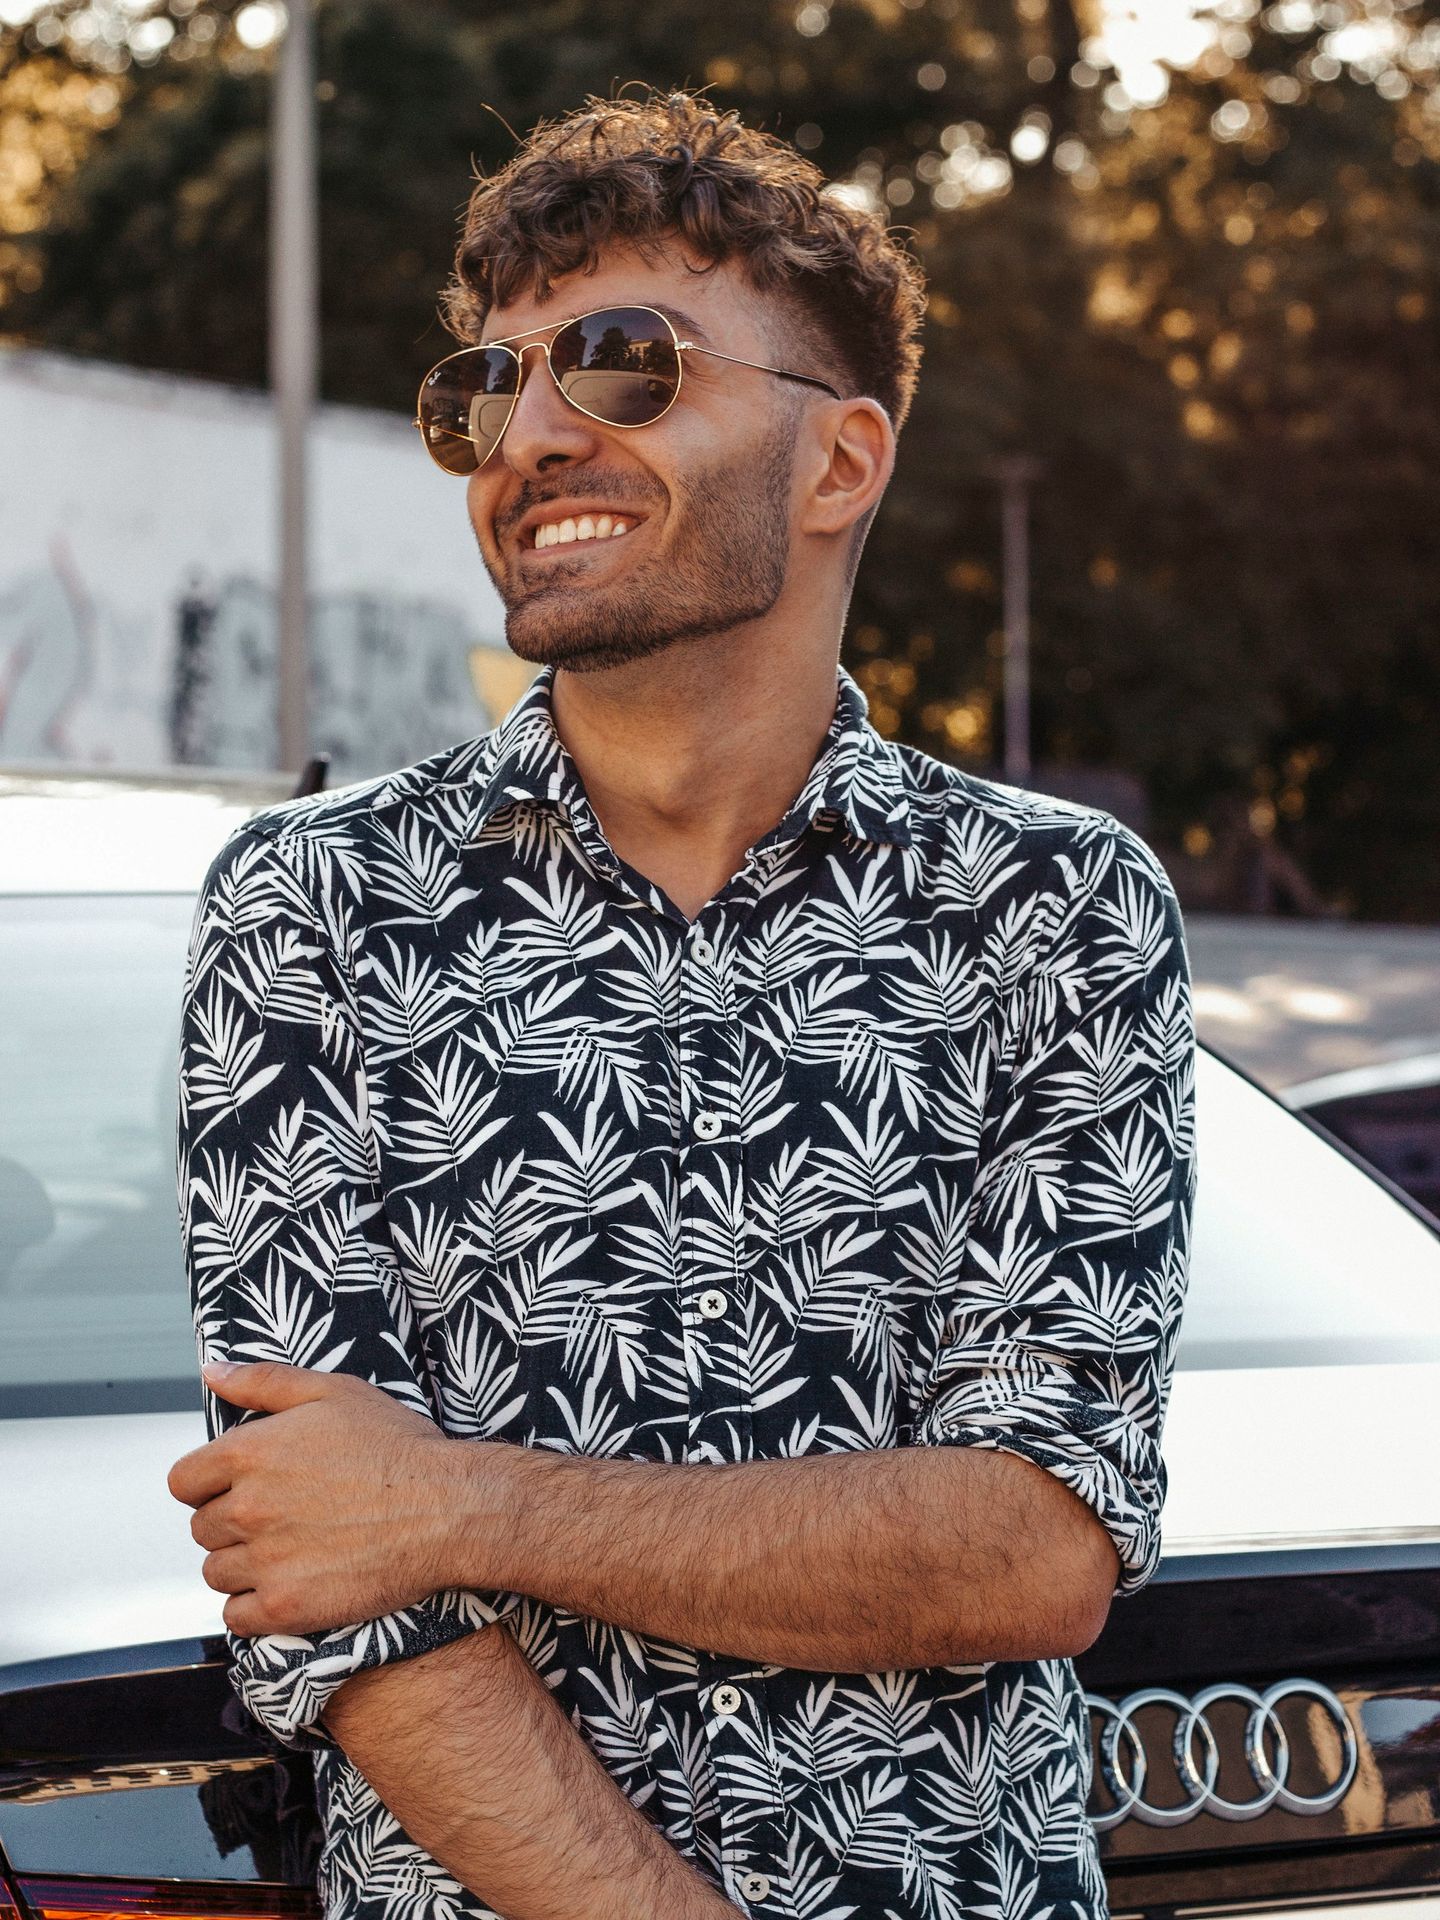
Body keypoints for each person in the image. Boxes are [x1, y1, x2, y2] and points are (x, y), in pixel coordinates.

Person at [168, 87, 1196, 1920]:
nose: (529, 437)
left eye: (623, 365)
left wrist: (465, 1502)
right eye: (482, 392)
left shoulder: (1052, 909)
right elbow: (334, 1580)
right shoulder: (313, 909)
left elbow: (1034, 1545)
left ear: (840, 463)